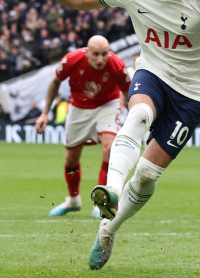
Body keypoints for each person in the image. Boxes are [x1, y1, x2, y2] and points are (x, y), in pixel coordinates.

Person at [30, 0, 200, 270]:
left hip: (191, 93)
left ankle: (108, 228)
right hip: (151, 72)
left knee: (148, 174)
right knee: (137, 117)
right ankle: (112, 189)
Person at [34, 36, 131, 218]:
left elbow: (128, 91)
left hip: (108, 105)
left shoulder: (117, 65)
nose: (100, 59)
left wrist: (135, 118)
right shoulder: (71, 60)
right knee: (71, 158)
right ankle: (73, 200)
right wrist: (45, 112)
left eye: (104, 54)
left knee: (109, 148)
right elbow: (55, 82)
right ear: (87, 52)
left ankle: (101, 203)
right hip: (79, 107)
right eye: (96, 54)